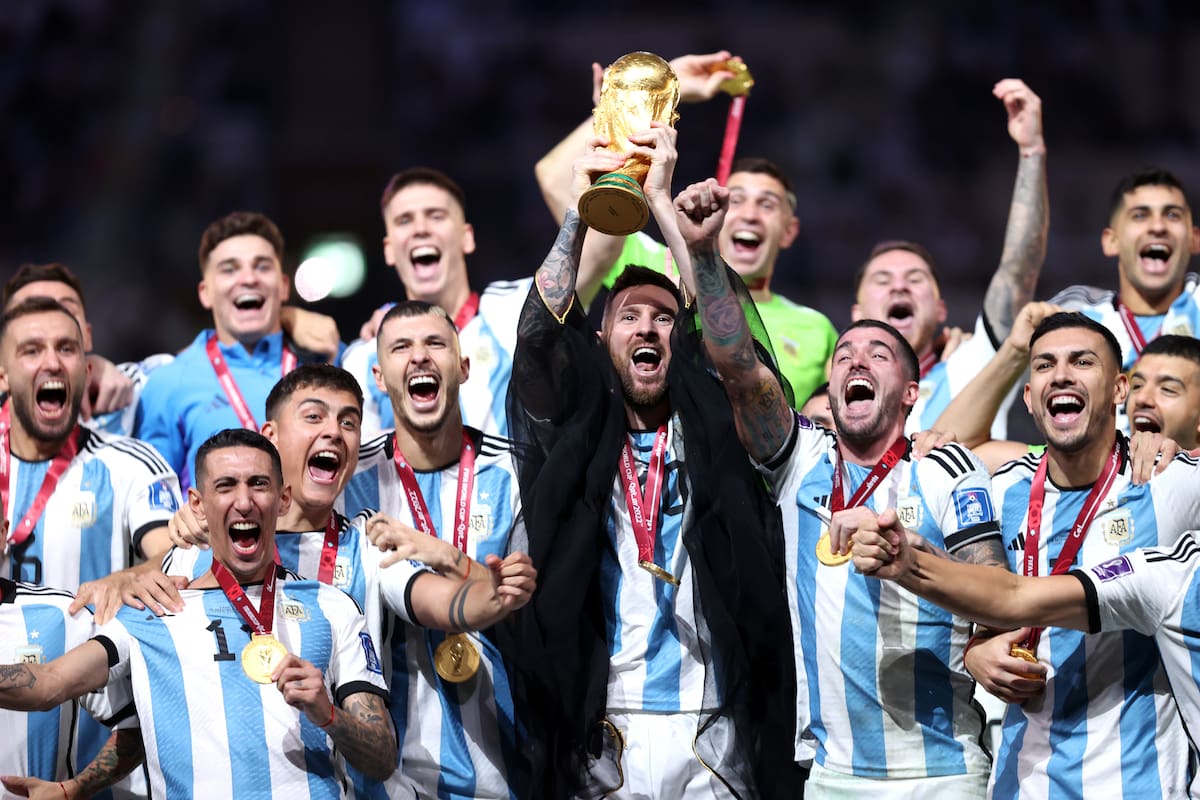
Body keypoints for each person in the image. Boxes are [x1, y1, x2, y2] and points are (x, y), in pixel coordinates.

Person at [674, 178, 1004, 797]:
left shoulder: (948, 469)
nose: (856, 360)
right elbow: (742, 369)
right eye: (845, 352)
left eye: (880, 355)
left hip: (941, 773)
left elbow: (997, 592)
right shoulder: (800, 460)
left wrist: (911, 557)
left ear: (911, 393)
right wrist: (702, 255)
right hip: (830, 776)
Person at [507, 141, 796, 797]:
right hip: (603, 727)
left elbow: (736, 351)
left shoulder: (719, 432)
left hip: (715, 726)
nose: (648, 329)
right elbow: (536, 338)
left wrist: (673, 217)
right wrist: (580, 214)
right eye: (629, 316)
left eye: (665, 318)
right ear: (602, 339)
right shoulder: (574, 438)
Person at [0, 429, 398, 798]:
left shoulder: (333, 607)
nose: (244, 501)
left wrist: (329, 715)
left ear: (283, 500)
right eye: (226, 486)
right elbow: (49, 683)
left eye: (258, 484)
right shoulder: (150, 612)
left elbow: (381, 758)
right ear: (198, 506)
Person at [917, 312, 1198, 799]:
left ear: (1118, 391)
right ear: (1029, 398)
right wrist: (976, 648)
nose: (1061, 374)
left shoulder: (1168, 479)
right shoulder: (1001, 489)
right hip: (1021, 782)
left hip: (1141, 784)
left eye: (1082, 361)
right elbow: (938, 453)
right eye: (1044, 365)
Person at [535, 51, 838, 402]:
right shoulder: (651, 262)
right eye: (736, 200)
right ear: (716, 205)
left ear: (789, 231)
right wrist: (640, 101)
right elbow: (556, 180)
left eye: (767, 205)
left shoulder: (818, 329)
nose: (750, 215)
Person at [850, 519, 1200, 800]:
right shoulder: (1174, 574)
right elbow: (1014, 596)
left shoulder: (1170, 478)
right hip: (1026, 780)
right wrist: (912, 563)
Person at [338, 303, 537, 798]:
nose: (420, 358)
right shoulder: (348, 480)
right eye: (401, 348)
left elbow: (537, 616)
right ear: (379, 379)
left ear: (463, 368)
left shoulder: (519, 474)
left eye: (435, 344)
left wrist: (446, 555)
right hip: (385, 776)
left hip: (504, 764)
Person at [846, 80, 1047, 441]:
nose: (899, 284)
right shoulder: (836, 387)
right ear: (856, 314)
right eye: (882, 280)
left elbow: (1019, 270)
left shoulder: (974, 363)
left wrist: (1032, 151)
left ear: (941, 310)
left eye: (915, 277)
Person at [341, 167, 552, 439]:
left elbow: (595, 254)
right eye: (404, 220)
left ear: (467, 237)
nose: (420, 229)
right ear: (389, 249)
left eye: (436, 215)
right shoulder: (364, 358)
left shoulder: (514, 310)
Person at [135, 211, 339, 489]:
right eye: (230, 269)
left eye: (262, 266)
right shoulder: (169, 383)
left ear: (283, 287)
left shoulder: (330, 360)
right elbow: (152, 499)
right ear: (205, 292)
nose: (248, 278)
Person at [1051, 167, 1200, 432]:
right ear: (1112, 241)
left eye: (1172, 215)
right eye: (1140, 215)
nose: (1157, 227)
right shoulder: (1076, 318)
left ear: (1194, 239)